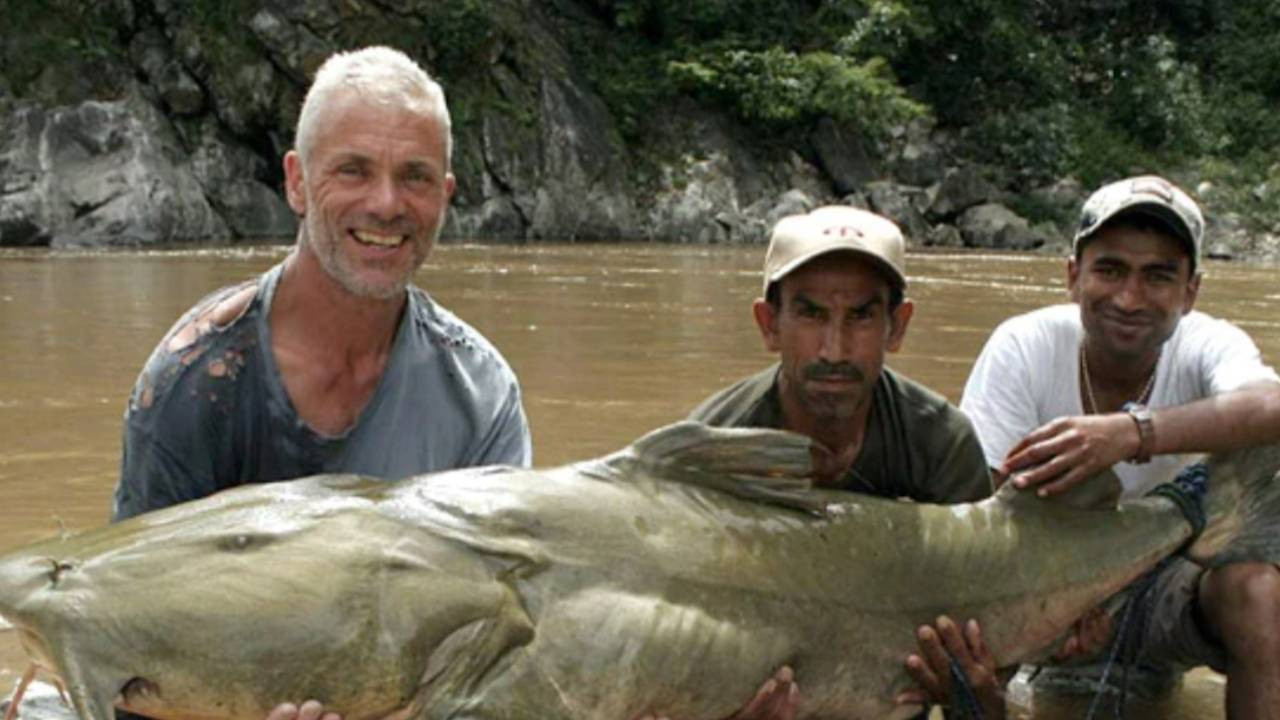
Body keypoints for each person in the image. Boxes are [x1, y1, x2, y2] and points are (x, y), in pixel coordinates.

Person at [112, 46, 531, 719]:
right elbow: (130, 656)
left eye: (415, 176)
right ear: (298, 183)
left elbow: (505, 632)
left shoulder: (481, 395)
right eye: (353, 170)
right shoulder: (193, 382)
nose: (386, 204)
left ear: (445, 196)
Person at [956, 174, 1280, 718]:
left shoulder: (1208, 344)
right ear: (1073, 276)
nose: (1130, 299)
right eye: (1109, 270)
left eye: (1158, 276)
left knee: (1260, 594)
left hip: (1162, 590)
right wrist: (1057, 605)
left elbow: (1271, 407)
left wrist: (1131, 433)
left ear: (1191, 292)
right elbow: (973, 514)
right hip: (1035, 587)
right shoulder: (1023, 345)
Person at [673, 205, 1001, 719]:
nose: (835, 349)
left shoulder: (940, 443)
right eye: (811, 314)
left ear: (897, 327)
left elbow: (992, 608)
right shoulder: (712, 447)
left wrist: (979, 697)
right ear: (769, 324)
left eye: (862, 316)